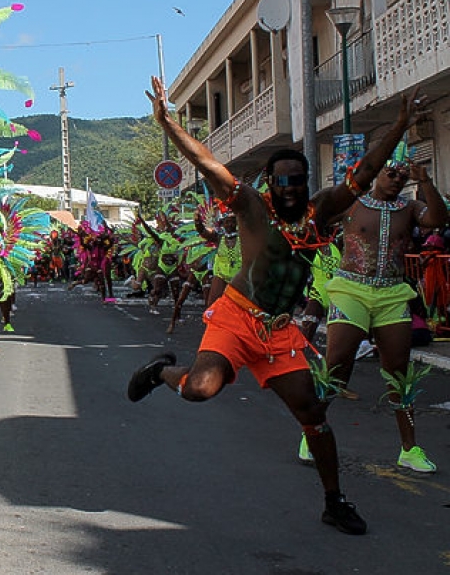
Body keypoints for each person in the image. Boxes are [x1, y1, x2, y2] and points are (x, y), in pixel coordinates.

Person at [127, 77, 423, 536]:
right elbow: (206, 161)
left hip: (280, 332)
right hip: (236, 318)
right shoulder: (249, 206)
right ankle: (161, 371)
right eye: (283, 181)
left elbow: (364, 172)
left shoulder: (321, 210)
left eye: (298, 181)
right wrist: (168, 123)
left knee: (313, 414)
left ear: (306, 183)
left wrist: (400, 125)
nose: (291, 188)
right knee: (199, 389)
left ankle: (334, 501)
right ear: (270, 183)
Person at [323, 151, 447, 473]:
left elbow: (438, 220)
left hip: (392, 294)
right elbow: (315, 217)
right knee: (337, 364)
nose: (396, 180)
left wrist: (426, 181)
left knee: (399, 373)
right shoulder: (352, 203)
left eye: (402, 177)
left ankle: (409, 448)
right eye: (391, 174)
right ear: (376, 173)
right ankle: (313, 432)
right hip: (350, 289)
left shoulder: (410, 208)